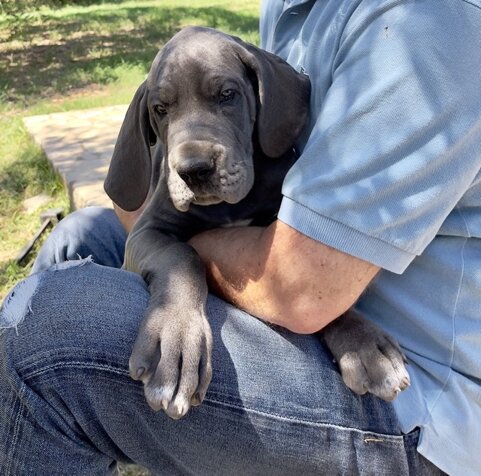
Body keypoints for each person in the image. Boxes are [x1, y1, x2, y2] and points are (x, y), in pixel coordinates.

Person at [1, 0, 480, 474]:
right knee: (74, 239)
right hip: (296, 275)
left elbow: (302, 289)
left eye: (225, 96)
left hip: (419, 408)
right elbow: (138, 220)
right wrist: (176, 264)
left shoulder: (426, 24)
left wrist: (181, 276)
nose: (190, 155)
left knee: (41, 335)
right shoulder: (291, 7)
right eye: (163, 110)